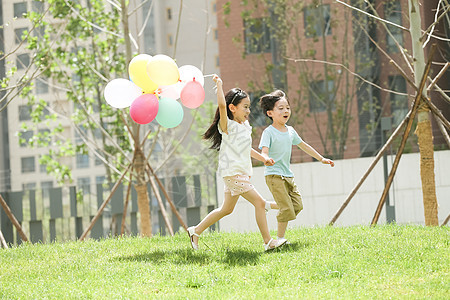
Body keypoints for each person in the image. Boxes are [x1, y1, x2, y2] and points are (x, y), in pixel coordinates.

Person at [187, 75, 283, 251]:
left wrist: (264, 159)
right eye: (245, 107)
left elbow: (247, 149)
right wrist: (220, 86)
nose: (248, 111)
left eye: (249, 107)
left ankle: (195, 231)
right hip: (233, 173)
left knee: (226, 209)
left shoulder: (245, 127)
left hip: (239, 173)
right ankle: (268, 241)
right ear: (233, 108)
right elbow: (222, 106)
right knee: (260, 203)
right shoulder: (228, 126)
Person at [259, 90, 334, 245]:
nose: (286, 111)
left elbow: (303, 146)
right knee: (286, 209)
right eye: (281, 108)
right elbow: (264, 151)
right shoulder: (269, 132)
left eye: (287, 107)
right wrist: (266, 158)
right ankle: (279, 239)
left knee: (297, 205)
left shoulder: (291, 131)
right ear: (270, 113)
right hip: (273, 175)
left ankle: (267, 205)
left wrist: (321, 158)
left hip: (287, 175)